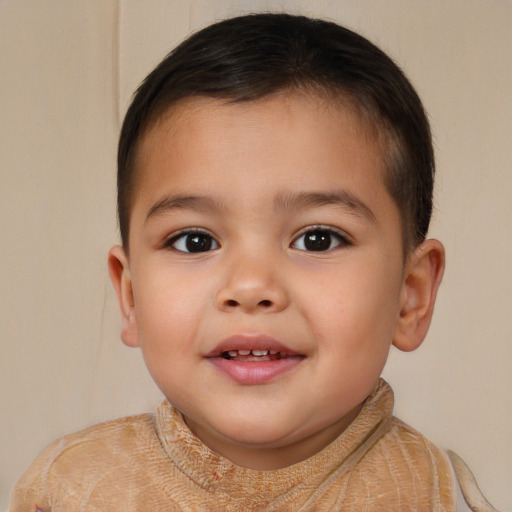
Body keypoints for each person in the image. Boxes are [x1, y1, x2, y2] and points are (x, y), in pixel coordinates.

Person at [9, 13, 499, 512]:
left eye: (318, 239)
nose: (250, 286)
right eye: (195, 242)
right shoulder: (74, 490)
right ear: (131, 297)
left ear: (409, 296)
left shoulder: (433, 494)